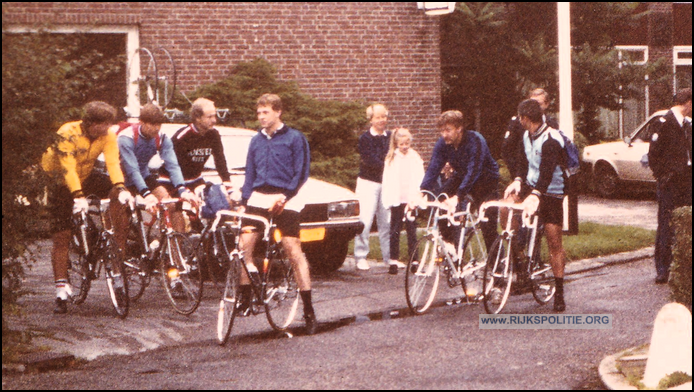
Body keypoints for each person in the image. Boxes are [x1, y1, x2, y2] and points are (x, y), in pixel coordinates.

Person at [41, 101, 133, 314]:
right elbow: (67, 168)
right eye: (105, 125)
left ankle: (114, 238)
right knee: (62, 236)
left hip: (86, 174)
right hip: (59, 180)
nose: (109, 129)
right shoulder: (67, 132)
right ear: (92, 123)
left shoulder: (107, 135)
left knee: (117, 191)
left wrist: (120, 187)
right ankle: (61, 289)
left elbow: (112, 164)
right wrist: (78, 196)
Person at [238, 93, 317, 335]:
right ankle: (245, 299)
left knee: (293, 249)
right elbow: (249, 173)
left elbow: (301, 173)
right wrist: (243, 201)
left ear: (278, 112)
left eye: (266, 112)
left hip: (287, 197)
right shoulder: (255, 141)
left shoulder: (295, 138)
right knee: (244, 246)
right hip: (259, 197)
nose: (261, 117)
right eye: (259, 113)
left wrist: (286, 197)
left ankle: (309, 310)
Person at [504, 99, 568, 312]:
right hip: (532, 185)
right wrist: (518, 180)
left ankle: (559, 292)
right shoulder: (526, 135)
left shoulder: (551, 139)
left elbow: (548, 172)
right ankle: (519, 259)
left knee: (553, 239)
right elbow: (523, 163)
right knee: (506, 208)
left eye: (519, 117)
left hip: (552, 191)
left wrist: (536, 195)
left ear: (524, 118)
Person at [418, 110, 500, 251]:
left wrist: (458, 196)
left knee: (488, 225)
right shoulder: (443, 143)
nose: (444, 134)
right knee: (440, 199)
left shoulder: (475, 140)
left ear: (459, 128)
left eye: (448, 130)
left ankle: (497, 266)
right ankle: (450, 244)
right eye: (442, 130)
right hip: (462, 176)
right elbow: (434, 167)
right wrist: (421, 192)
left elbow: (474, 170)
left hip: (485, 180)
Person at [117, 103, 198, 223]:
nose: (157, 128)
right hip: (122, 179)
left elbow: (173, 166)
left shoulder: (162, 138)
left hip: (143, 176)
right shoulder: (126, 137)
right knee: (122, 216)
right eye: (152, 124)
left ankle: (169, 240)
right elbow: (132, 169)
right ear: (142, 122)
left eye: (159, 124)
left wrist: (182, 189)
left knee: (169, 205)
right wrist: (147, 194)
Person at [647, 87, 692, 284]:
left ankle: (682, 266)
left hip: (687, 181)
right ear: (688, 102)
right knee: (666, 223)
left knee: (685, 224)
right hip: (671, 182)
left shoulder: (687, 125)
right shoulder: (664, 123)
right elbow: (653, 155)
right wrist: (663, 177)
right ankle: (663, 268)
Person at [161, 98, 234, 197]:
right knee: (178, 210)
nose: (214, 120)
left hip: (195, 180)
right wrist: (182, 189)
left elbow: (220, 161)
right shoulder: (183, 136)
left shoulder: (214, 135)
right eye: (209, 117)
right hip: (171, 180)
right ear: (198, 118)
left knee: (216, 202)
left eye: (214, 116)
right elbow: (172, 165)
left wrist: (228, 186)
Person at [353, 103, 392, 271]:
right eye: (378, 117)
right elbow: (370, 161)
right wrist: (390, 165)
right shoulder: (365, 139)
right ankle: (360, 256)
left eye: (384, 116)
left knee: (387, 222)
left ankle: (389, 257)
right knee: (365, 221)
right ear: (371, 119)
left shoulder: (391, 137)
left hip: (388, 184)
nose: (382, 120)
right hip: (368, 183)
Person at [381, 128, 425, 275]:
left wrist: (419, 196)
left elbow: (420, 176)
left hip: (410, 200)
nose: (405, 147)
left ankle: (414, 260)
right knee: (395, 230)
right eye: (402, 144)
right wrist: (388, 198)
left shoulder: (415, 157)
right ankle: (393, 260)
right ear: (396, 143)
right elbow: (387, 180)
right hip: (397, 199)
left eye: (407, 143)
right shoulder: (391, 158)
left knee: (412, 230)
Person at [502, 88, 559, 189]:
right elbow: (508, 150)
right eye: (532, 103)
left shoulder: (552, 126)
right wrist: (518, 177)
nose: (534, 108)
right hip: (523, 178)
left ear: (546, 104)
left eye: (539, 104)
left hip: (545, 183)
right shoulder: (518, 123)